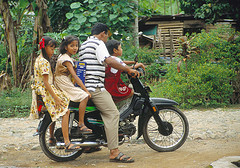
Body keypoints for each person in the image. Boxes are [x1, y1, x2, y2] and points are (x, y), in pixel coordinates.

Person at [79, 22, 138, 163]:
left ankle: (90, 145)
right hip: (95, 87)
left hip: (84, 86)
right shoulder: (98, 44)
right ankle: (114, 152)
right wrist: (128, 70)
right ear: (103, 33)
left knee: (103, 112)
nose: (106, 39)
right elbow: (109, 61)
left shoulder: (84, 45)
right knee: (113, 114)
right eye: (107, 35)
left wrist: (125, 65)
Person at [31, 36, 79, 152]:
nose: (53, 51)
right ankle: (67, 142)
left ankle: (53, 138)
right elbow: (47, 83)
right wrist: (56, 98)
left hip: (44, 91)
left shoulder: (39, 59)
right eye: (51, 48)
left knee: (60, 109)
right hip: (47, 91)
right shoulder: (44, 62)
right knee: (65, 111)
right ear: (44, 48)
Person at [54, 35, 92, 134]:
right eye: (72, 46)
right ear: (66, 47)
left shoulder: (64, 57)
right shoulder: (66, 59)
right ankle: (81, 123)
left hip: (62, 81)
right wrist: (86, 90)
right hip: (63, 82)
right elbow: (75, 76)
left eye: (76, 45)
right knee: (84, 96)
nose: (75, 48)